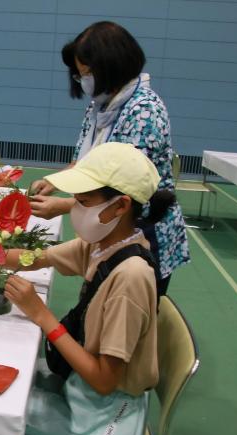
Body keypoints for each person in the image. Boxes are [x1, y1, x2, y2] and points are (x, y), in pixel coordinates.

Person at [0, 142, 173, 435]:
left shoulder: (130, 277)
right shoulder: (103, 244)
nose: (74, 210)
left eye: (83, 202)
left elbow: (103, 380)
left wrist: (41, 315)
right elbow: (37, 258)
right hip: (76, 385)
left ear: (120, 207)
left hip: (100, 417)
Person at [30, 21, 189, 294]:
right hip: (108, 224)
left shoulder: (144, 110)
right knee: (101, 299)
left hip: (142, 228)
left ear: (113, 66)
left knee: (129, 301)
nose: (83, 80)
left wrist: (65, 205)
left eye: (88, 73)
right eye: (80, 74)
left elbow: (125, 191)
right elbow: (86, 161)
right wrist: (53, 181)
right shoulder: (100, 106)